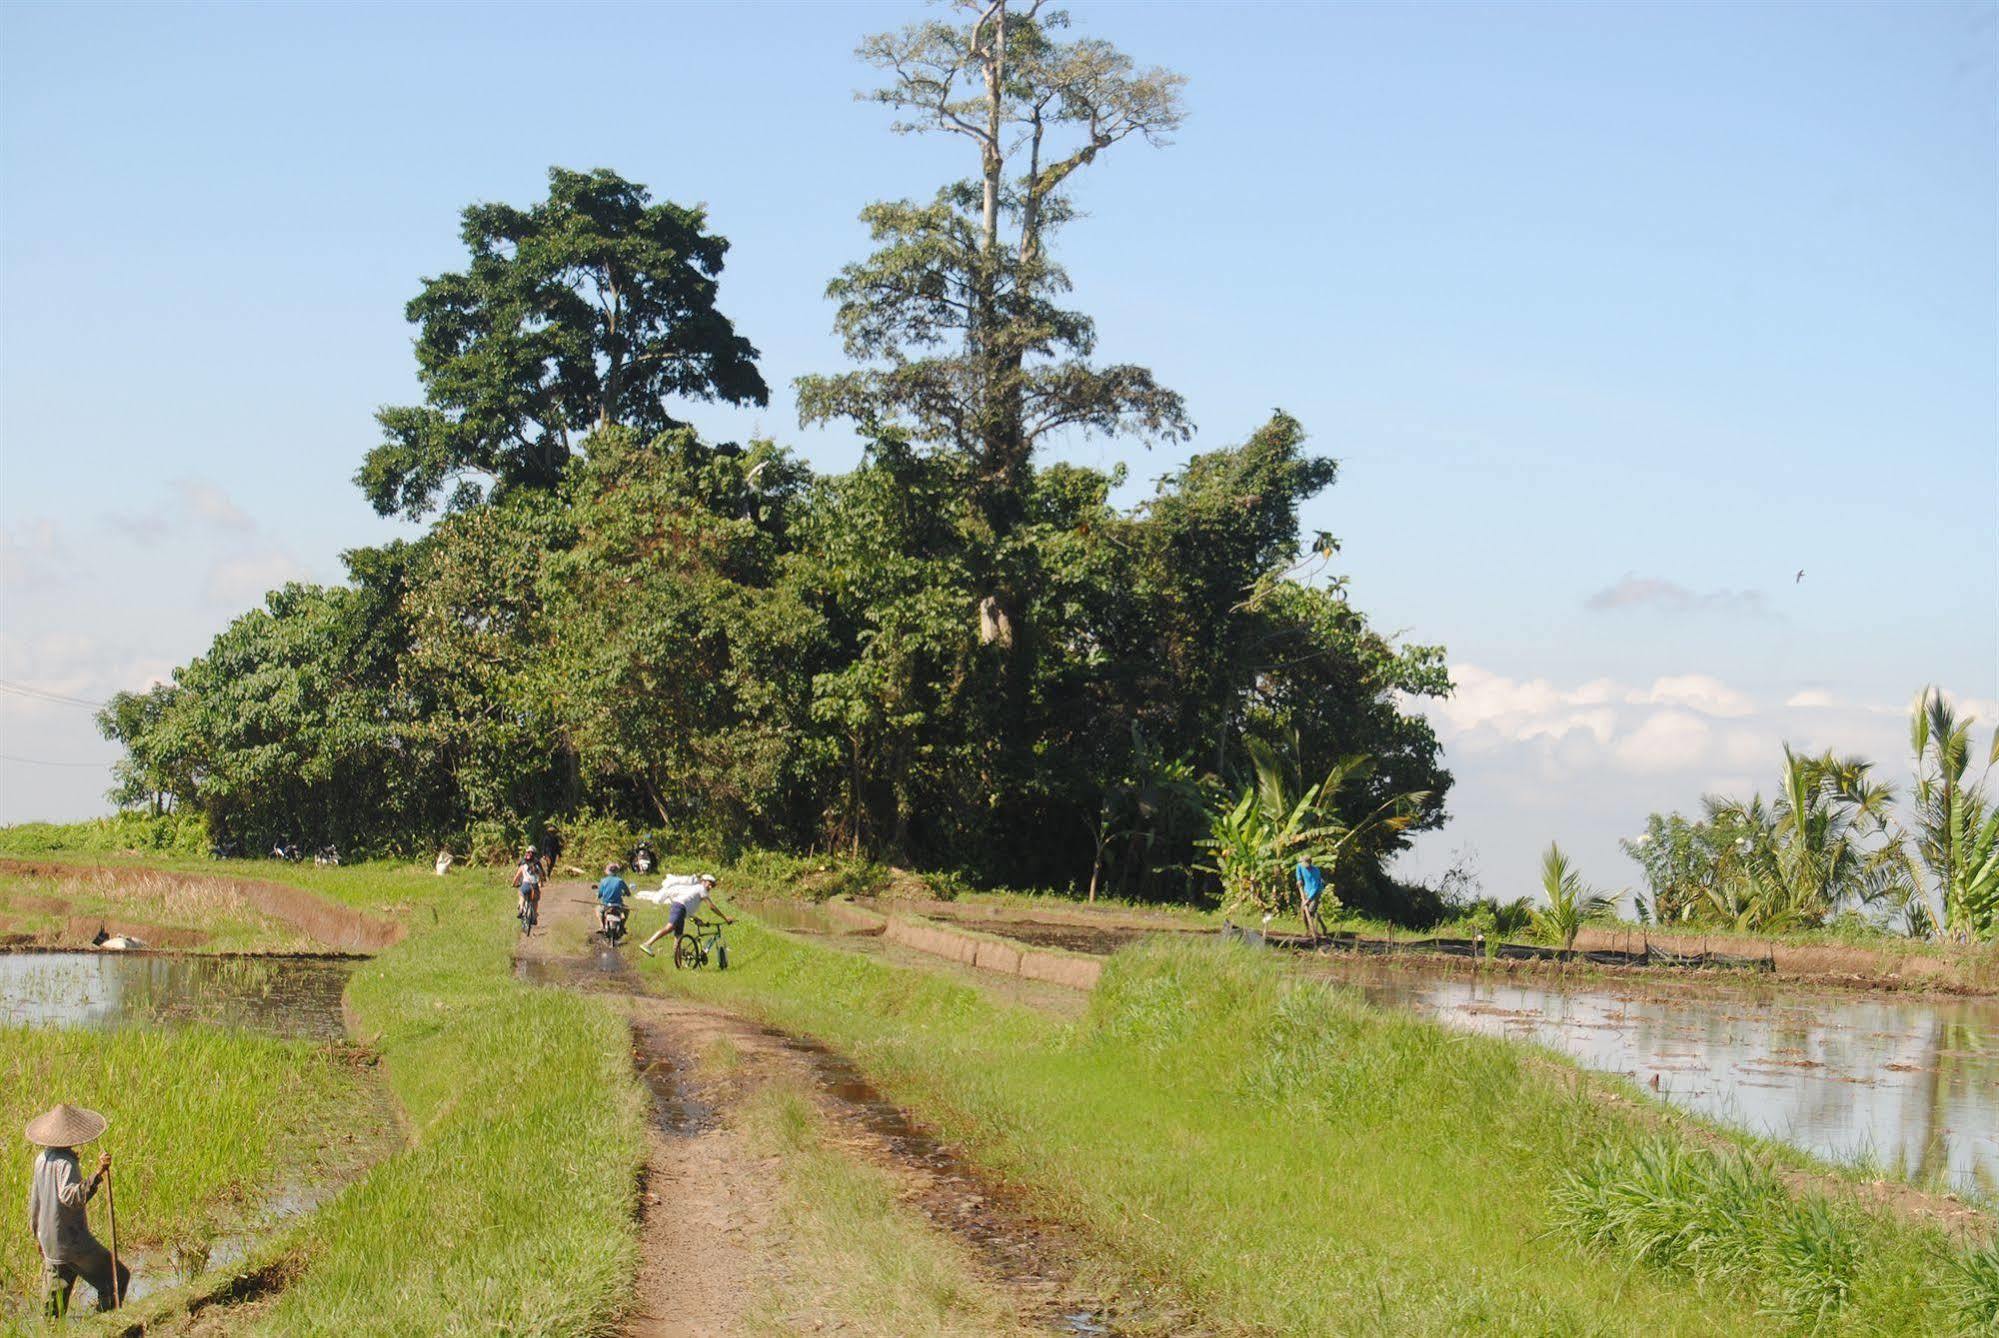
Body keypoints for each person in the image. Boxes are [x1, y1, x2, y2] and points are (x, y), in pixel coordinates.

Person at [25, 1103, 128, 1316]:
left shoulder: (41, 1160)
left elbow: (35, 1202)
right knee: (117, 1278)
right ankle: (105, 1324)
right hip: (72, 1243)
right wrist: (97, 1174)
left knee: (53, 1312)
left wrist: (38, 1235)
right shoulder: (66, 1164)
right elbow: (71, 1197)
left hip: (50, 1242)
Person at [639, 873, 732, 957]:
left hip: (682, 911)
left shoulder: (696, 891)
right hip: (679, 907)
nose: (710, 887)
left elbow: (687, 907)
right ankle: (647, 944)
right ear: (703, 882)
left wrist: (696, 919)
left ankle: (678, 964)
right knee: (670, 927)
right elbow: (711, 906)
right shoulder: (701, 888)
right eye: (709, 883)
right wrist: (725, 918)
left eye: (713, 885)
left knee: (678, 938)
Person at [1295, 854, 1328, 942]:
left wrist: (1308, 900)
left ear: (1310, 863)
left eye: (1307, 866)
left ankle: (1321, 928)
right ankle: (1309, 930)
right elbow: (1298, 868)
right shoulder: (1301, 866)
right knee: (1304, 912)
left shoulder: (1316, 872)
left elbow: (1315, 887)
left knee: (1310, 912)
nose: (1306, 867)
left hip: (1315, 893)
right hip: (1306, 891)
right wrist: (1299, 879)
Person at [596, 862, 630, 934]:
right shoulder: (620, 881)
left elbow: (600, 894)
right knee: (626, 911)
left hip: (606, 905)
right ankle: (622, 927)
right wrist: (625, 894)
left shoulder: (603, 881)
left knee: (598, 910)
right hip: (618, 905)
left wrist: (598, 896)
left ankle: (602, 926)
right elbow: (628, 893)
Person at [512, 847, 542, 926]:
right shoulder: (537, 866)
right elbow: (541, 876)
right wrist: (540, 883)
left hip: (525, 885)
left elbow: (516, 877)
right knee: (535, 901)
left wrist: (513, 884)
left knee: (521, 894)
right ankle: (534, 916)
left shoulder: (523, 865)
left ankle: (521, 909)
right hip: (534, 886)